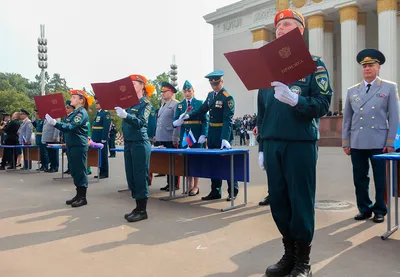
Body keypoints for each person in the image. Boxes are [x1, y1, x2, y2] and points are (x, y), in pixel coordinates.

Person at [257, 9, 332, 277]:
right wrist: (262, 147)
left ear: (300, 30)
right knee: (279, 201)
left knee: (300, 201)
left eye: (287, 24)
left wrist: (297, 100)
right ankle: (288, 255)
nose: (280, 29)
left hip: (300, 143)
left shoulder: (314, 63)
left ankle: (303, 261)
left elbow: (323, 104)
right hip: (274, 143)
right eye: (278, 26)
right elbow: (262, 111)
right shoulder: (266, 68)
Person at [342, 48, 399, 223]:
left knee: (380, 179)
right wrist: (346, 141)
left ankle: (380, 209)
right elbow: (347, 118)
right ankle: (364, 208)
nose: (367, 68)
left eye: (371, 65)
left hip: (379, 141)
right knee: (360, 178)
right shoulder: (352, 90)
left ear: (378, 67)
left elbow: (395, 117)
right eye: (364, 66)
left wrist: (391, 142)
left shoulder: (389, 87)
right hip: (357, 141)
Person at [174, 70, 238, 201]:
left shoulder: (227, 97)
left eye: (216, 84)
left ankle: (233, 191)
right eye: (212, 84)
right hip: (213, 134)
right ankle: (215, 191)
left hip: (223, 133)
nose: (214, 86)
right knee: (214, 164)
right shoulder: (210, 96)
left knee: (226, 164)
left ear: (222, 81)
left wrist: (225, 138)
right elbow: (202, 110)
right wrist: (188, 115)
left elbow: (228, 120)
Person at [115, 74, 155, 222]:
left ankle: (143, 210)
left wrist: (126, 116)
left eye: (134, 83)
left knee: (140, 176)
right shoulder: (129, 103)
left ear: (142, 86)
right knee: (131, 176)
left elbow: (141, 123)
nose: (130, 86)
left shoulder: (146, 104)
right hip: (129, 142)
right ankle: (137, 207)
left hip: (139, 143)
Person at [46, 89, 93, 208]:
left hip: (79, 145)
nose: (71, 99)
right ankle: (78, 195)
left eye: (74, 97)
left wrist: (55, 123)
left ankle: (83, 197)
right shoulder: (73, 113)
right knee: (74, 170)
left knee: (80, 170)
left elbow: (70, 127)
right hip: (72, 145)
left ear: (81, 100)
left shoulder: (81, 113)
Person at [173, 80, 209, 196]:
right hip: (185, 135)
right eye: (185, 91)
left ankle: (196, 186)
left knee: (196, 161)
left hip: (197, 135)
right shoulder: (180, 105)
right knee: (187, 161)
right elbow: (174, 121)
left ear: (193, 91)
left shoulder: (199, 103)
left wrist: (204, 134)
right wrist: (177, 122)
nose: (187, 93)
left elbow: (205, 120)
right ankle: (189, 185)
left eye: (189, 91)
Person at [155, 81, 181, 191]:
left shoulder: (176, 104)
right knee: (166, 162)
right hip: (162, 137)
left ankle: (174, 184)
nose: (162, 94)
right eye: (161, 92)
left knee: (173, 162)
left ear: (171, 92)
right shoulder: (163, 104)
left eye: (164, 92)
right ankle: (168, 183)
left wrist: (175, 138)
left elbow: (177, 123)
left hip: (170, 137)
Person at [91, 99, 111, 179]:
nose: (96, 104)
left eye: (97, 103)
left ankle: (104, 172)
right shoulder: (98, 113)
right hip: (96, 137)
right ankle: (100, 171)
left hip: (101, 138)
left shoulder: (106, 113)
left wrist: (104, 138)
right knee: (99, 155)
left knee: (103, 155)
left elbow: (106, 127)